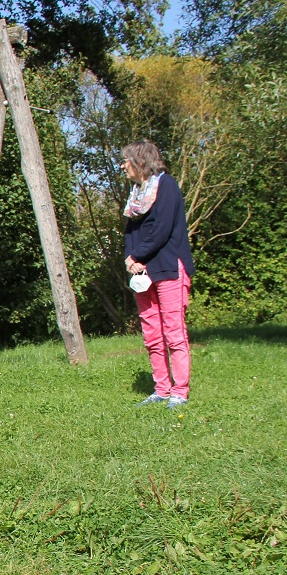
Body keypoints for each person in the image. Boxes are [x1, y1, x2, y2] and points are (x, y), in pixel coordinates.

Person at [122, 140, 195, 410]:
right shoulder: (136, 193)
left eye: (126, 160)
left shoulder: (167, 186)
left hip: (168, 268)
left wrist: (137, 255)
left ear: (140, 161)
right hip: (143, 272)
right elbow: (130, 231)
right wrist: (131, 260)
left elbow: (161, 230)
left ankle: (180, 392)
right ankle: (161, 389)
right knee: (152, 335)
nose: (123, 166)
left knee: (174, 333)